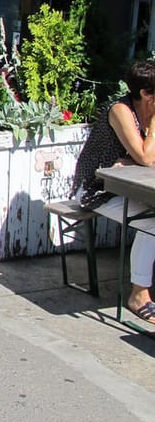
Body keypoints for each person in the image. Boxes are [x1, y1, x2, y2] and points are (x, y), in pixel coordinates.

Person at [72, 59, 155, 323]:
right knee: (152, 222)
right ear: (145, 93)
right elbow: (146, 156)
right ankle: (138, 294)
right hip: (97, 189)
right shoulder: (121, 110)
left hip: (128, 186)